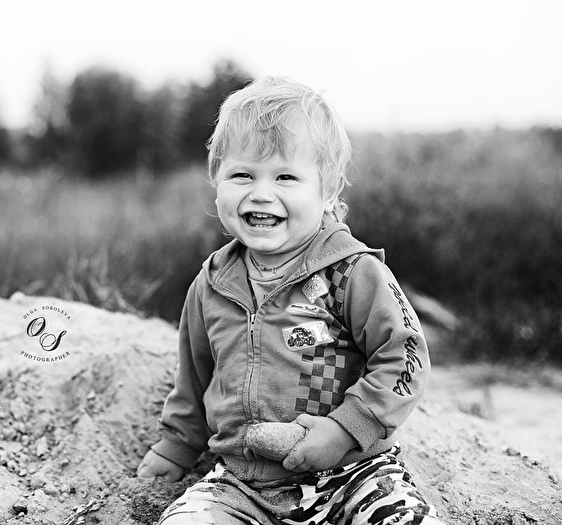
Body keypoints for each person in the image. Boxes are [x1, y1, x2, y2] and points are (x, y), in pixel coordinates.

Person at [137, 76, 443, 524]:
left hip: (355, 474)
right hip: (243, 483)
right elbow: (195, 377)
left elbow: (405, 354)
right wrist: (176, 446)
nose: (261, 193)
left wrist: (346, 428)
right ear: (216, 181)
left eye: (285, 177)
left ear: (327, 191)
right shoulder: (212, 284)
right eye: (242, 175)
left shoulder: (351, 272)